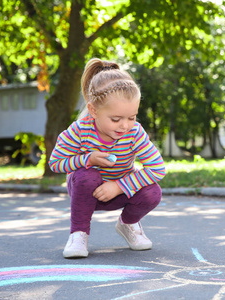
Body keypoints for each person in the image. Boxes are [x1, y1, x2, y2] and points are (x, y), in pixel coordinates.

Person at [49, 58, 165, 259]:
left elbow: (157, 169)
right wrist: (88, 160)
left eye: (132, 117)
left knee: (153, 192)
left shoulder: (134, 132)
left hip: (119, 190)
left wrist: (119, 186)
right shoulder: (80, 130)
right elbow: (55, 163)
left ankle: (128, 224)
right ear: (93, 110)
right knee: (87, 175)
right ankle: (79, 234)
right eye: (116, 119)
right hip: (86, 191)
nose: (124, 126)